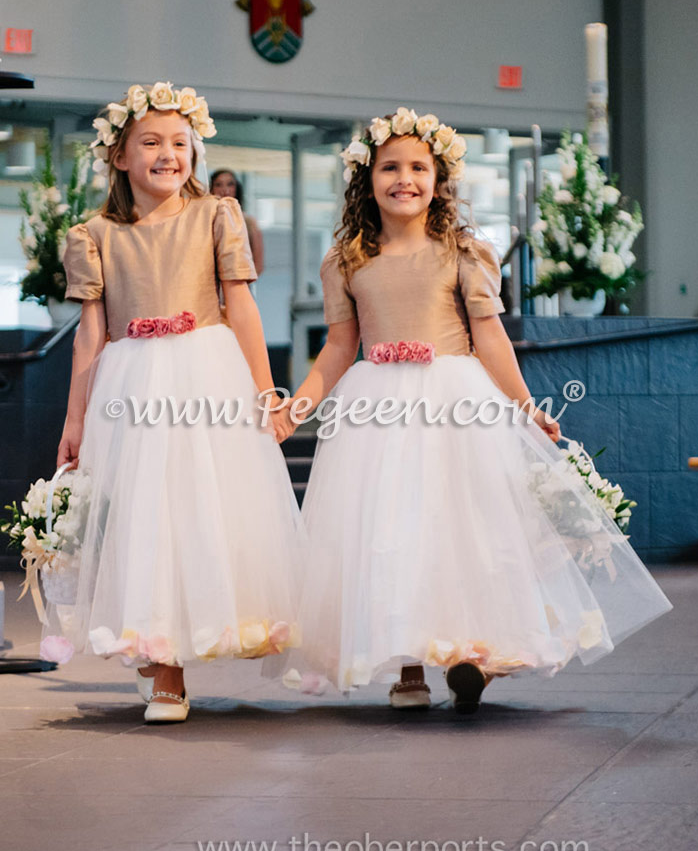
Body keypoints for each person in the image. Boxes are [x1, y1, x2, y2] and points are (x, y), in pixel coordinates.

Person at [279, 107, 671, 713]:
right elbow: (336, 348)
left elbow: (489, 337)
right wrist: (294, 408)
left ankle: (475, 653)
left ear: (439, 180)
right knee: (391, 532)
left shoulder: (462, 251)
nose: (403, 178)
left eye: (417, 166)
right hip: (376, 405)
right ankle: (407, 666)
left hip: (456, 400)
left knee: (466, 528)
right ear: (367, 178)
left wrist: (524, 407)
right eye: (389, 167)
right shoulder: (348, 259)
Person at [49, 83, 301, 723]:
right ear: (120, 157)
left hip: (205, 373)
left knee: (202, 509)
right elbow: (90, 333)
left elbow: (241, 304)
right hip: (131, 383)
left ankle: (184, 645)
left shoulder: (217, 215)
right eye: (151, 143)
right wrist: (75, 419)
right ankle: (162, 659)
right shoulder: (95, 233)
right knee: (143, 513)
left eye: (180, 143)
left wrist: (265, 390)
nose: (168, 154)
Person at [210, 169, 265, 275]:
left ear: (237, 188)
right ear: (211, 189)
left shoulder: (249, 222)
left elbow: (258, 265)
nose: (225, 190)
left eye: (230, 184)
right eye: (218, 185)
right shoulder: (205, 221)